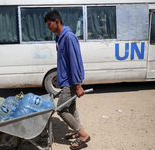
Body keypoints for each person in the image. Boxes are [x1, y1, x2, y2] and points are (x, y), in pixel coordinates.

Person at [44, 10, 90, 150]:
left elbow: (75, 62)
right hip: (65, 80)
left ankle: (82, 135)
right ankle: (78, 130)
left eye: (50, 24)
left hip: (70, 81)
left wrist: (77, 85)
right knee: (71, 107)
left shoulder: (69, 37)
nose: (48, 27)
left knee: (61, 109)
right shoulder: (60, 38)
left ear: (57, 22)